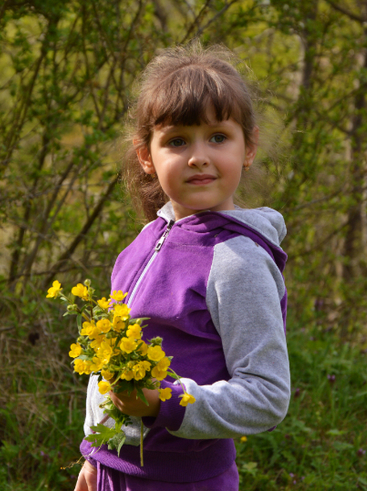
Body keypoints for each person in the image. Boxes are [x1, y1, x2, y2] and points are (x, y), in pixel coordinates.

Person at [73, 43, 290, 491]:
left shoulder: (237, 262)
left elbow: (267, 395)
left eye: (217, 137)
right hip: (115, 474)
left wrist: (166, 403)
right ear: (146, 157)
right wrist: (94, 455)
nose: (198, 156)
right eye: (177, 141)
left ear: (247, 147)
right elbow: (108, 368)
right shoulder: (142, 245)